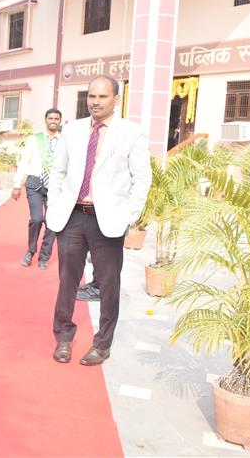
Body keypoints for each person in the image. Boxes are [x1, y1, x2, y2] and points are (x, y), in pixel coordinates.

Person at [46, 75, 151, 366]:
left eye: (102, 97)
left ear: (116, 99)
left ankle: (102, 344)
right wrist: (54, 204)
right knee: (67, 281)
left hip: (108, 221)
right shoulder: (72, 130)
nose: (95, 102)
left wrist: (129, 216)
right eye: (91, 96)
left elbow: (142, 179)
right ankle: (63, 338)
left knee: (108, 284)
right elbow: (58, 171)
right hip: (72, 216)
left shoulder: (132, 133)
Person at [12, 108, 62, 270]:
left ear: (59, 121)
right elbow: (24, 161)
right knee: (37, 218)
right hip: (35, 183)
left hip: (55, 186)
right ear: (46, 120)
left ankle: (44, 257)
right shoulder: (35, 139)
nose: (53, 121)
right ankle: (30, 251)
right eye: (50, 118)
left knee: (52, 222)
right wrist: (17, 184)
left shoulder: (64, 141)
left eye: (56, 119)